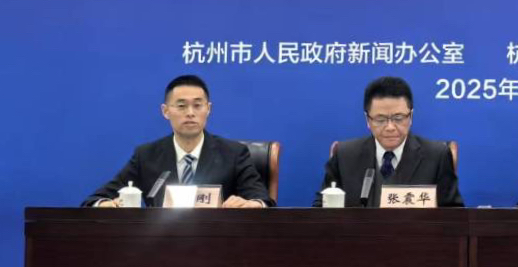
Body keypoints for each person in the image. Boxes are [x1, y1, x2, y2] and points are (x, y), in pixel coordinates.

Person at [83, 75, 273, 208]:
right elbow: (95, 199)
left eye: (197, 105)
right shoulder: (146, 156)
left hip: (217, 242)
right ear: (165, 111)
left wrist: (253, 204)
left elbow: (263, 201)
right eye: (181, 106)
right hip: (159, 244)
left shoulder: (234, 153)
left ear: (208, 109)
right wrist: (104, 204)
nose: (190, 113)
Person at [314, 76, 464, 207]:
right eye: (380, 119)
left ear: (411, 117)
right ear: (367, 120)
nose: (390, 127)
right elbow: (320, 210)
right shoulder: (344, 155)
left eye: (398, 118)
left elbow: (454, 215)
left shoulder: (437, 156)